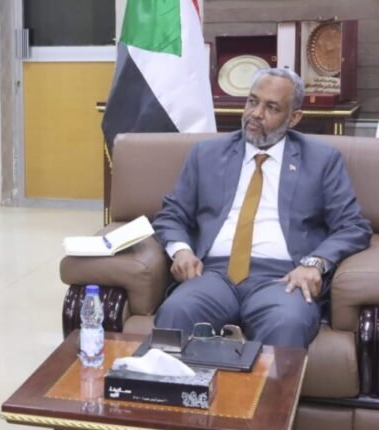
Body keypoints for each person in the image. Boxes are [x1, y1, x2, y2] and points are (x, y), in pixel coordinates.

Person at [153, 68, 372, 349]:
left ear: (294, 118)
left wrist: (314, 264)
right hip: (212, 273)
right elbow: (172, 214)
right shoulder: (206, 154)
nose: (256, 114)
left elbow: (353, 226)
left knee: (286, 323)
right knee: (178, 311)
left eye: (271, 107)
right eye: (252, 101)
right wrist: (181, 251)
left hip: (283, 278)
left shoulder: (321, 160)